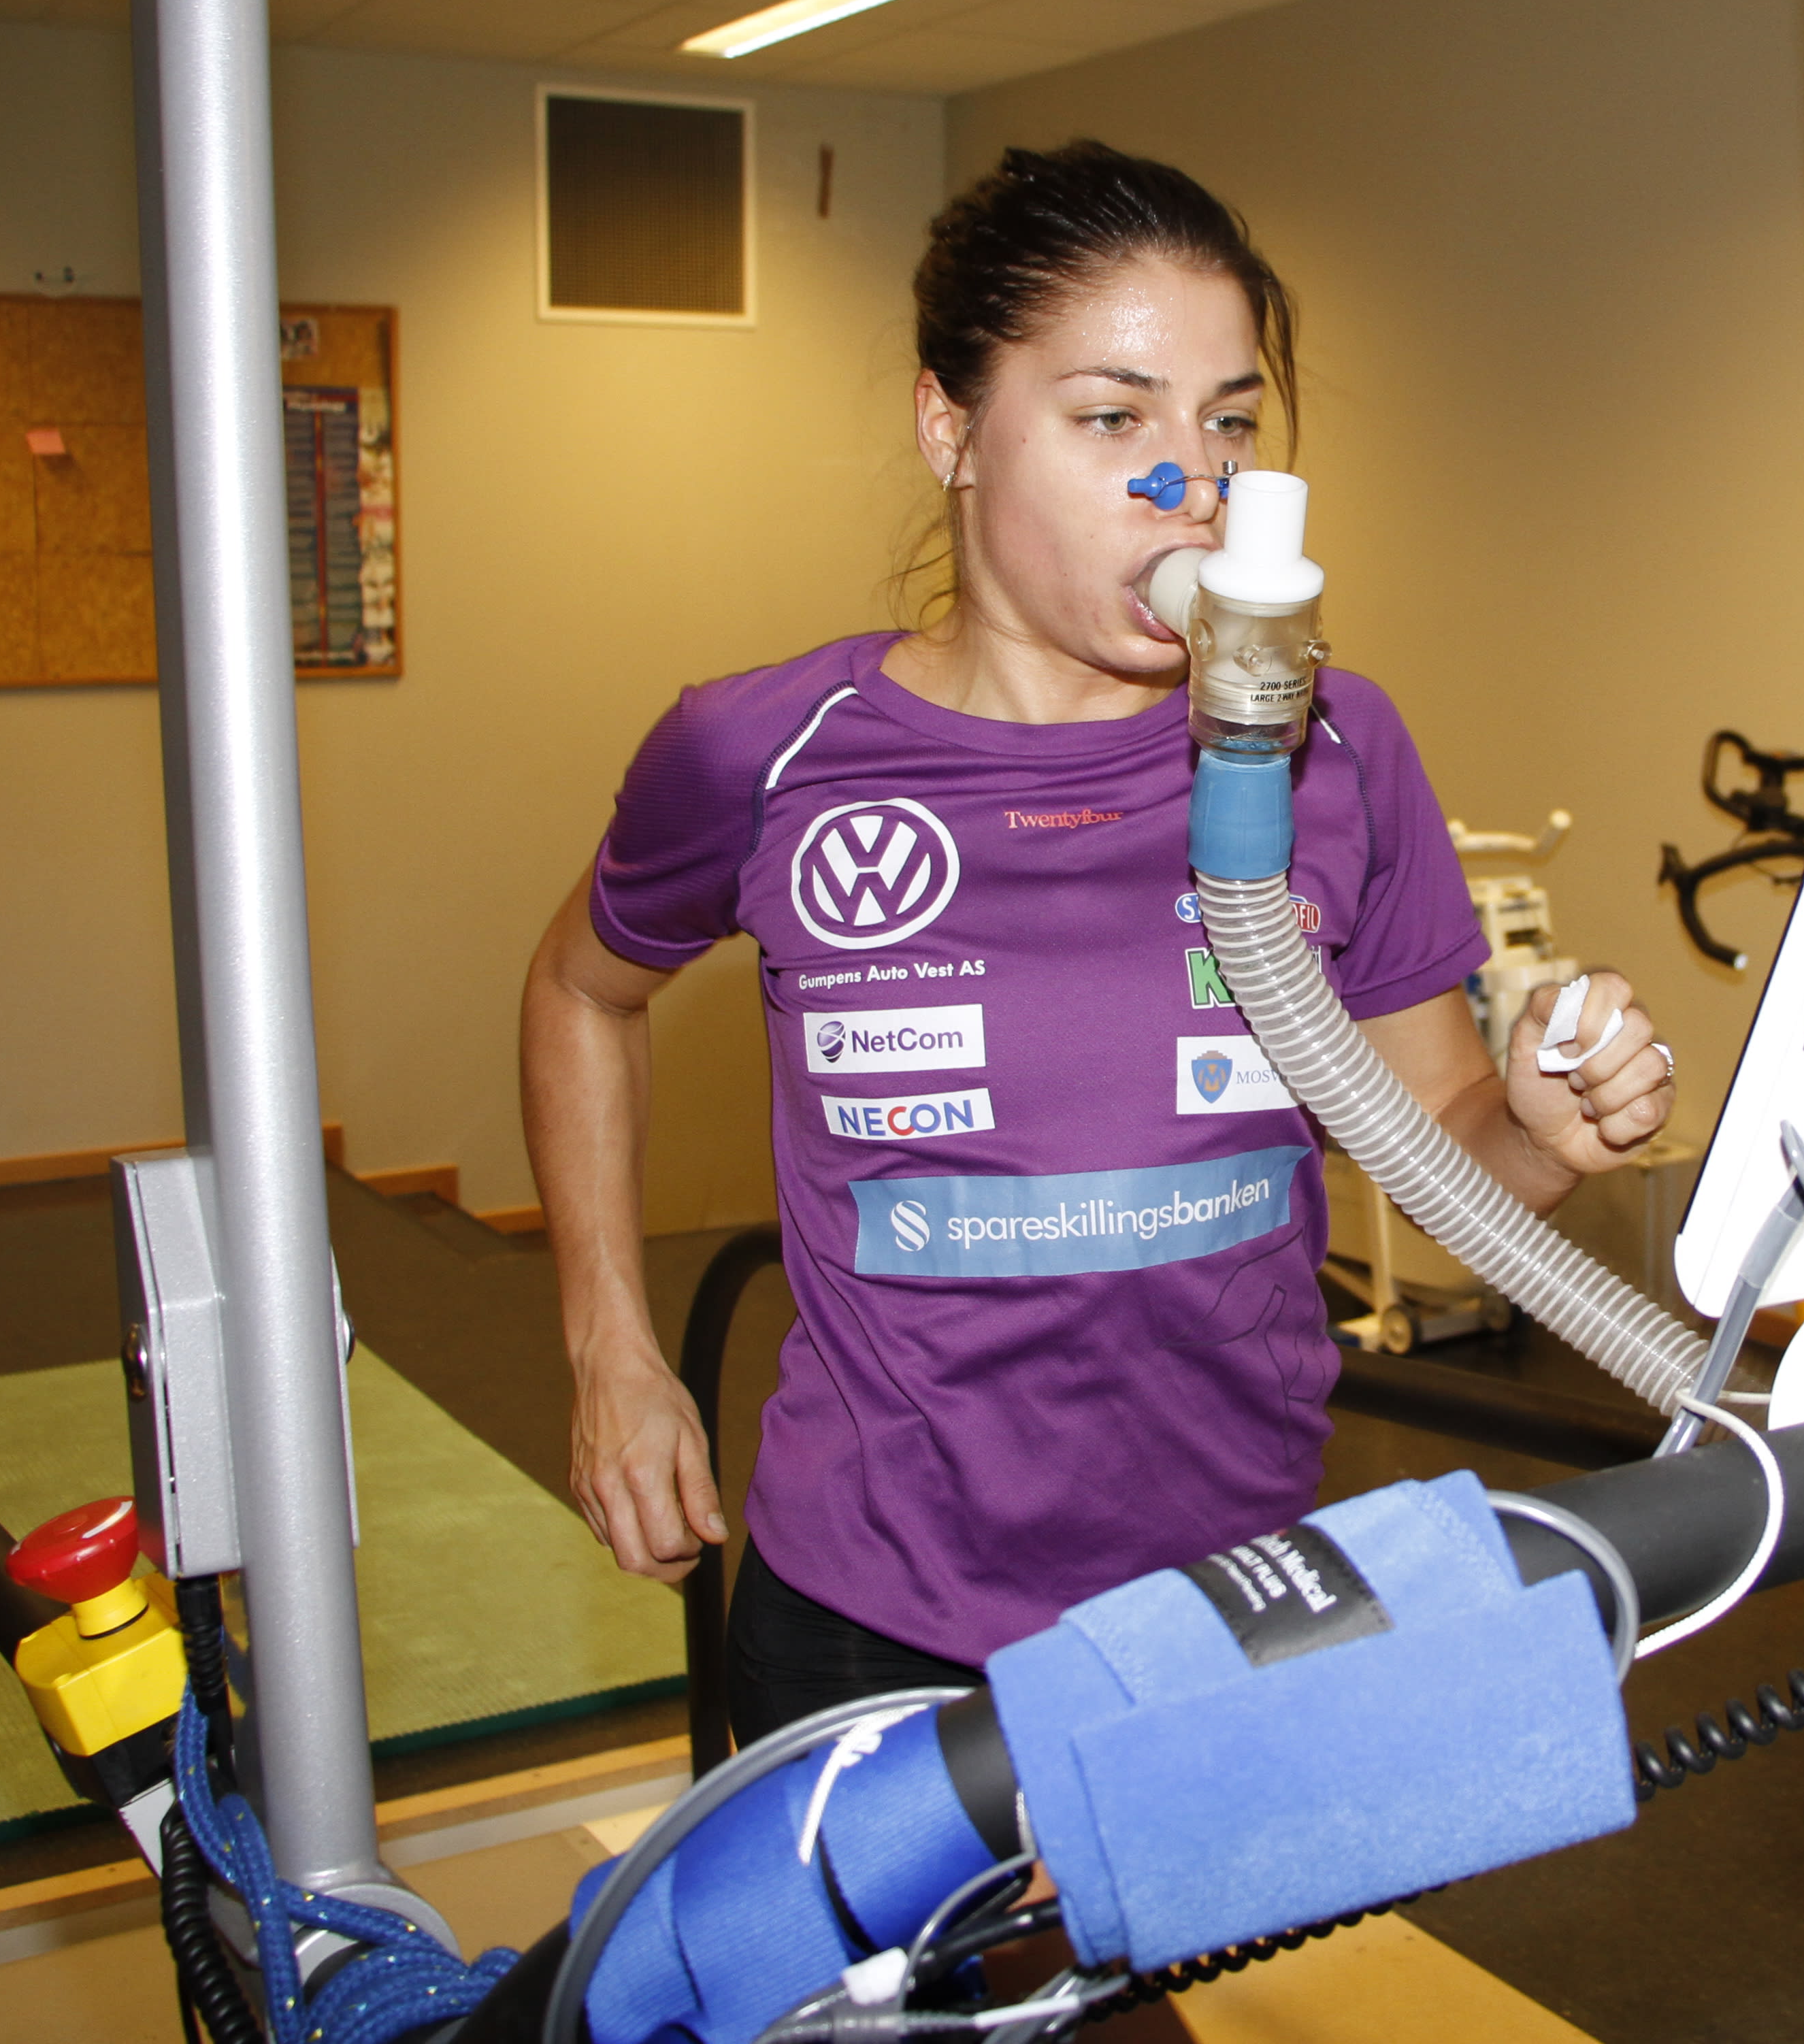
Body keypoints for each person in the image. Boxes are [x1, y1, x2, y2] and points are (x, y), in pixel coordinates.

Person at [523, 141, 1675, 1742]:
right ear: (951, 430)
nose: (1188, 485)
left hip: (1230, 1602)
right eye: (1113, 418)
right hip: (874, 1612)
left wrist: (1542, 1130)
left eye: (1228, 424)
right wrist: (610, 1349)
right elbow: (580, 993)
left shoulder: (1334, 749)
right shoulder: (768, 754)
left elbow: (1446, 1155)